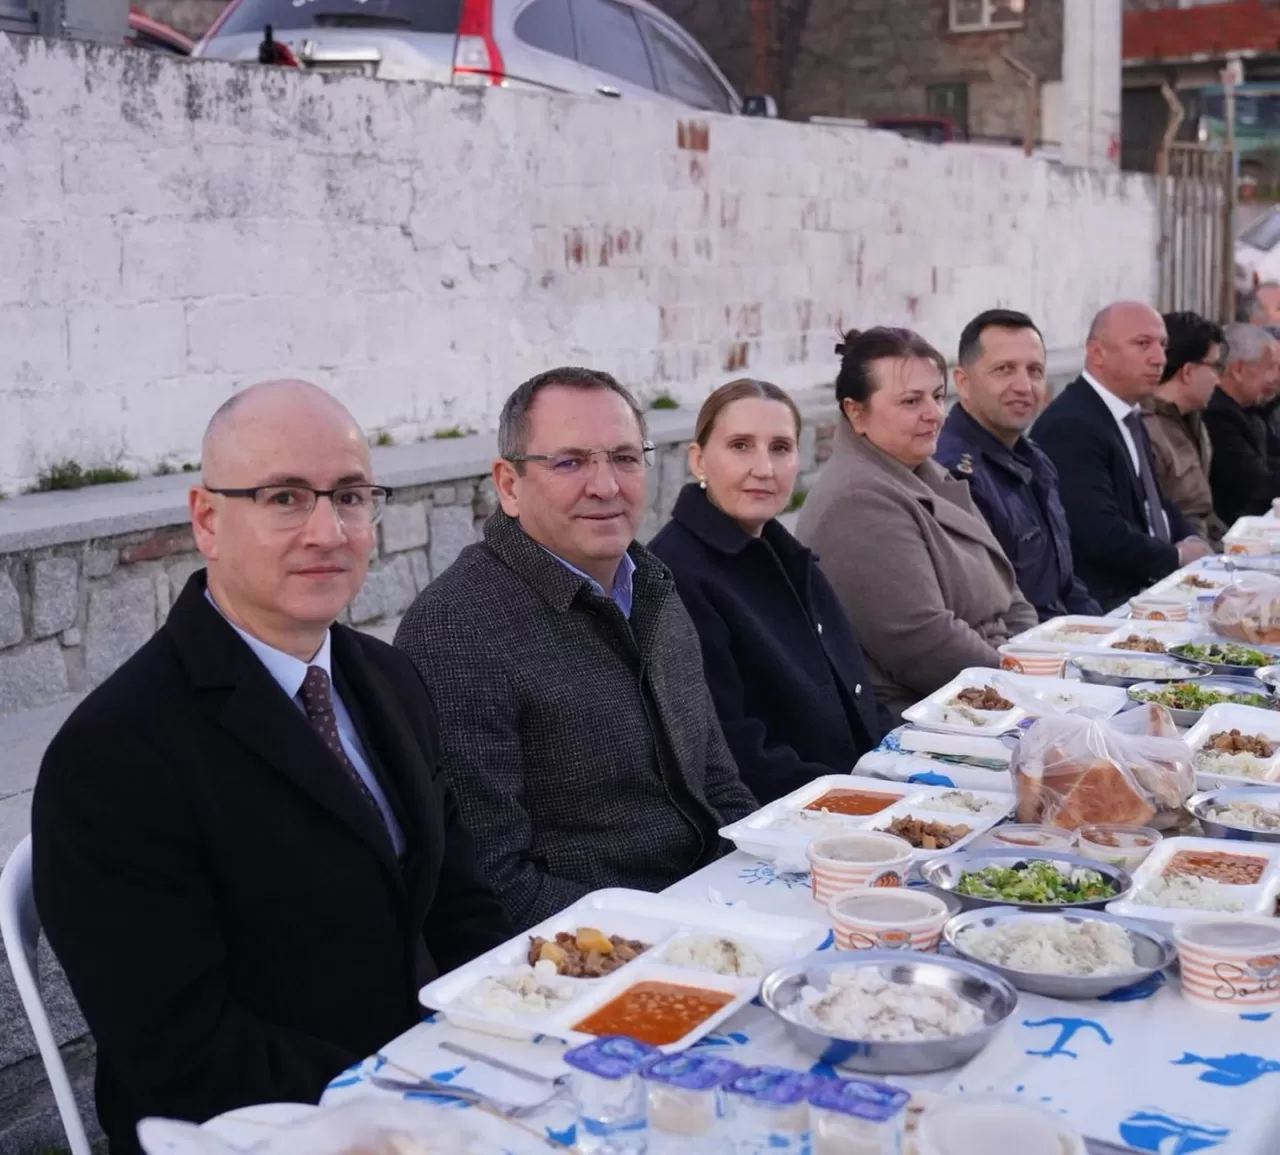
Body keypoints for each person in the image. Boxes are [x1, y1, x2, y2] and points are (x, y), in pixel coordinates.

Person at [31, 381, 511, 1153]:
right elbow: (181, 1054)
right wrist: (409, 1094)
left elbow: (462, 906)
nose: (328, 529)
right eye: (285, 497)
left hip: (439, 1086)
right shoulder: (115, 755)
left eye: (351, 496)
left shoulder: (387, 679)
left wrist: (514, 1030)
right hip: (265, 1127)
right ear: (208, 519)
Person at [394, 368, 758, 931]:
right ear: (509, 486)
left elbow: (719, 785)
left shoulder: (652, 585)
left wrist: (759, 889)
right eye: (569, 462)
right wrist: (673, 933)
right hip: (599, 955)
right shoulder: (457, 629)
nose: (606, 485)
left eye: (625, 458)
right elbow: (495, 882)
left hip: (717, 910)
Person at [648, 379, 886, 805]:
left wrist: (897, 766)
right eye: (741, 446)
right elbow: (733, 745)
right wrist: (862, 798)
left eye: (780, 448)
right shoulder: (677, 575)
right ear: (699, 460)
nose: (765, 469)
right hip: (791, 818)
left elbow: (857, 696)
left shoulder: (786, 556)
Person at [795, 328, 1037, 722]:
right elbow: (925, 642)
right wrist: (1025, 679)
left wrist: (1029, 655)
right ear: (856, 412)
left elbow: (1010, 593)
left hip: (988, 692)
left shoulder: (922, 471)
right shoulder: (858, 501)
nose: (935, 414)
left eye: (938, 397)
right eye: (911, 401)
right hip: (926, 720)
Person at [1033, 302, 1212, 611]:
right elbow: (1097, 531)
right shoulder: (1072, 424)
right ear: (1097, 352)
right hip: (1106, 606)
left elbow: (1154, 499)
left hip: (1149, 590)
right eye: (1143, 344)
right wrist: (1177, 557)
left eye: (1163, 345)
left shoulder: (1127, 413)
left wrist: (1193, 540)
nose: (1159, 358)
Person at [934, 309, 1100, 622]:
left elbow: (1063, 583)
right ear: (963, 383)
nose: (1024, 385)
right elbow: (986, 612)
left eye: (1035, 370)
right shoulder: (953, 476)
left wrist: (1103, 634)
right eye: (1004, 369)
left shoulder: (1035, 461)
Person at [1141, 311, 1228, 549]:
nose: (1218, 380)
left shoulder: (1193, 420)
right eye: (1215, 367)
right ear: (1188, 371)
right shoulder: (1144, 429)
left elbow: (1204, 511)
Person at [1204, 323, 1280, 526]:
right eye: (1268, 367)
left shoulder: (1249, 411)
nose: (1273, 377)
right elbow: (1255, 485)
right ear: (1238, 369)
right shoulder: (1216, 415)